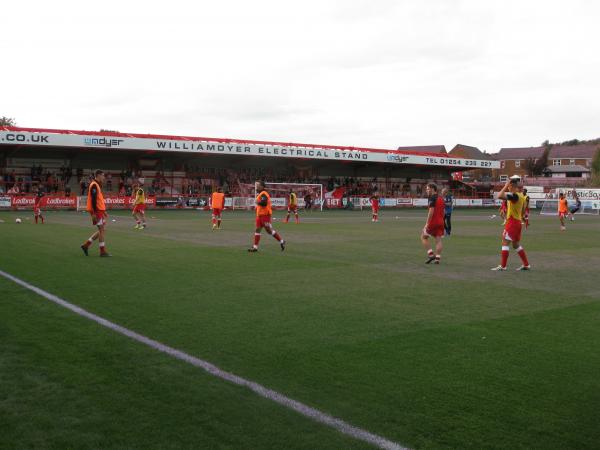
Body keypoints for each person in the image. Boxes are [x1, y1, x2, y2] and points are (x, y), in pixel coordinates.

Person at [491, 177, 530, 271]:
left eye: (509, 186)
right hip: (517, 222)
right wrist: (523, 219)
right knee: (515, 245)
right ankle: (526, 264)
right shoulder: (520, 196)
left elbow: (499, 196)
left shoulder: (515, 196)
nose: (508, 187)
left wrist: (504, 185)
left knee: (505, 242)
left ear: (512, 186)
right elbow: (523, 209)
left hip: (512, 222)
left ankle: (503, 266)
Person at [248, 180, 285, 252]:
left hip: (265, 215)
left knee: (269, 231)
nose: (257, 186)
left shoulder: (264, 193)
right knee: (257, 229)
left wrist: (257, 202)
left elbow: (264, 203)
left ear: (262, 186)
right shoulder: (261, 194)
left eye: (258, 185)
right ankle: (255, 247)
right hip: (259, 215)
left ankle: (282, 241)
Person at [81, 170, 111, 257]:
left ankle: (86, 245)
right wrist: (94, 213)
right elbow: (93, 200)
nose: (104, 177)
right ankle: (102, 252)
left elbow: (98, 199)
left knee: (102, 230)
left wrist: (103, 210)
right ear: (98, 175)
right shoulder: (94, 184)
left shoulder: (97, 184)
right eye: (103, 175)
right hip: (96, 211)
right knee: (101, 230)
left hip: (99, 210)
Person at [421, 183, 445, 264]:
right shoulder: (441, 198)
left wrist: (427, 224)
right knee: (438, 239)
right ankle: (437, 259)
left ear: (432, 189)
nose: (426, 190)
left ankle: (431, 255)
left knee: (423, 236)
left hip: (433, 222)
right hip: (441, 221)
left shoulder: (432, 198)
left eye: (427, 189)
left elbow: (431, 212)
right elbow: (443, 211)